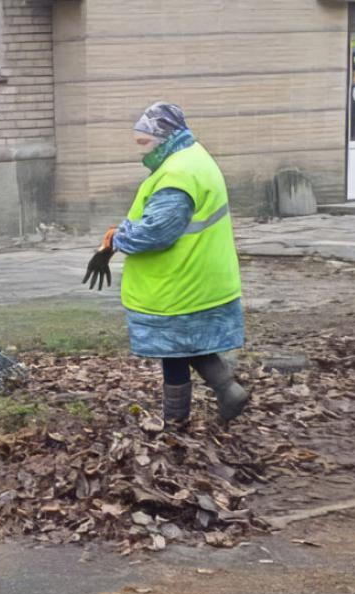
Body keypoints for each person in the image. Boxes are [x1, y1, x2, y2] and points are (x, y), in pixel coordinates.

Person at [83, 102, 248, 425]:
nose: (141, 152)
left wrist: (116, 240)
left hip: (178, 279)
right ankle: (228, 389)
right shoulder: (195, 157)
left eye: (144, 143)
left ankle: (175, 422)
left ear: (164, 136)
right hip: (201, 274)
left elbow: (158, 232)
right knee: (188, 343)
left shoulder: (177, 175)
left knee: (172, 350)